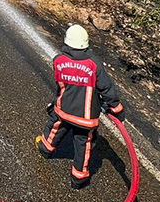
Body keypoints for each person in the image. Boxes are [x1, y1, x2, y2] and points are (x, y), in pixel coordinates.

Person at [35, 24, 126, 190]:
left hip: (63, 110)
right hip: (85, 118)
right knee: (83, 145)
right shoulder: (94, 65)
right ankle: (78, 179)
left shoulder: (58, 61)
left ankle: (45, 149)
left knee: (54, 128)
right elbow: (107, 90)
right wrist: (117, 110)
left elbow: (61, 85)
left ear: (67, 42)